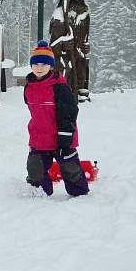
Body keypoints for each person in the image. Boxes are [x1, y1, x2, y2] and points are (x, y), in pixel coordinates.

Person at [23, 40, 86, 197]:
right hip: (40, 138)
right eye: (36, 64)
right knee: (35, 169)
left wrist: (65, 136)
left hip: (62, 137)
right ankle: (41, 192)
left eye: (44, 64)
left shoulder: (59, 87)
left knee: (70, 169)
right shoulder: (29, 86)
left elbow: (69, 112)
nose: (39, 67)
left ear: (51, 66)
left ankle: (80, 193)